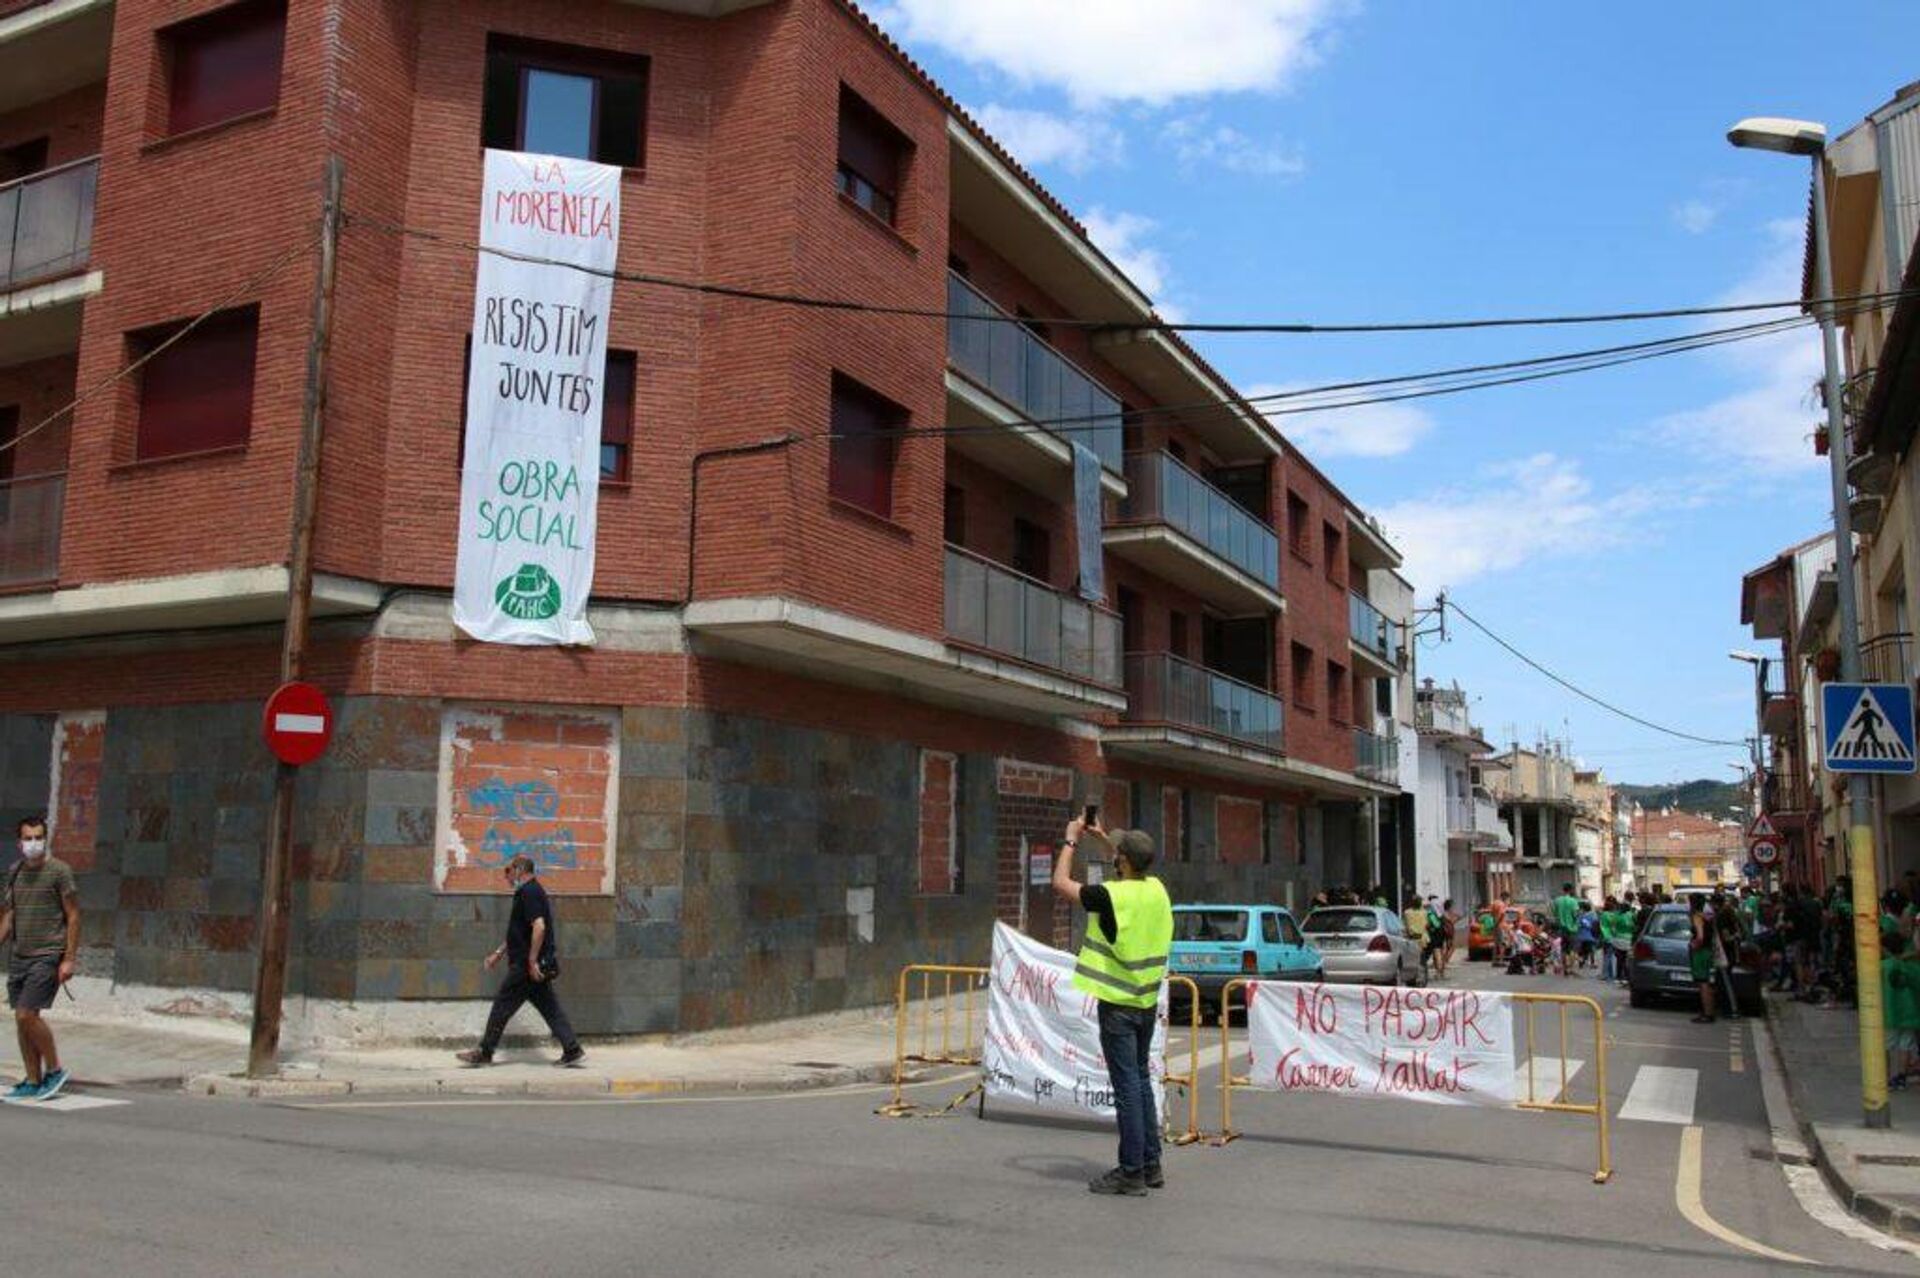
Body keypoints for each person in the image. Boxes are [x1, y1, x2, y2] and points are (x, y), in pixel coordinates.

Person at [1053, 814, 1173, 1197]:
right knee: (1140, 1081)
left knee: (1127, 1089)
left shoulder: (1109, 896)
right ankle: (1151, 1165)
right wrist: (1106, 839)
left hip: (1119, 1006)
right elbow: (1131, 867)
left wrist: (1072, 840)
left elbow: (1060, 883)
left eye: (1117, 854)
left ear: (1120, 861)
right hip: (1146, 1002)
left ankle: (1131, 1171)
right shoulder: (1157, 889)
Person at [456, 855, 585, 1069]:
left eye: (509, 870)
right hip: (527, 965)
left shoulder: (529, 892)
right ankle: (572, 1049)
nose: (507, 875)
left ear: (520, 869)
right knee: (550, 1008)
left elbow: (539, 926)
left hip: (524, 967)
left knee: (501, 1006)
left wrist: (531, 960)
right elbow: (519, 932)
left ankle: (485, 1052)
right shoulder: (528, 892)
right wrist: (498, 953)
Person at [1, 816, 78, 1102]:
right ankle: (32, 1080)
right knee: (22, 1020)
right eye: (28, 838)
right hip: (20, 955)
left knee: (26, 1014)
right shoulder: (15, 871)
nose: (34, 843)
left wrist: (68, 958)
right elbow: (9, 914)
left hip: (47, 955)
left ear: (45, 839)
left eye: (39, 837)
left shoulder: (59, 871)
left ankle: (54, 1069)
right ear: (19, 843)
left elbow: (73, 915)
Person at [1884, 932, 1920, 1088]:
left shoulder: (1881, 967)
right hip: (1911, 1013)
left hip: (1889, 1013)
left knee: (1885, 1046)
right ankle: (1901, 1077)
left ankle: (1884, 1076)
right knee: (1906, 1044)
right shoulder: (1913, 968)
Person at [1688, 895, 1718, 1024]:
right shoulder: (1708, 917)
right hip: (1708, 950)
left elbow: (1700, 936)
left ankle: (1707, 1013)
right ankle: (1709, 1011)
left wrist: (1693, 945)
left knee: (1702, 983)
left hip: (1700, 952)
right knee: (1706, 982)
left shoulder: (1697, 917)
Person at [1404, 896, 1432, 979]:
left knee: (1412, 958)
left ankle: (1414, 973)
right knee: (1422, 958)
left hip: (1411, 938)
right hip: (1423, 938)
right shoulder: (1425, 913)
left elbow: (1405, 925)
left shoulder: (1407, 912)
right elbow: (1428, 925)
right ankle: (1421, 973)